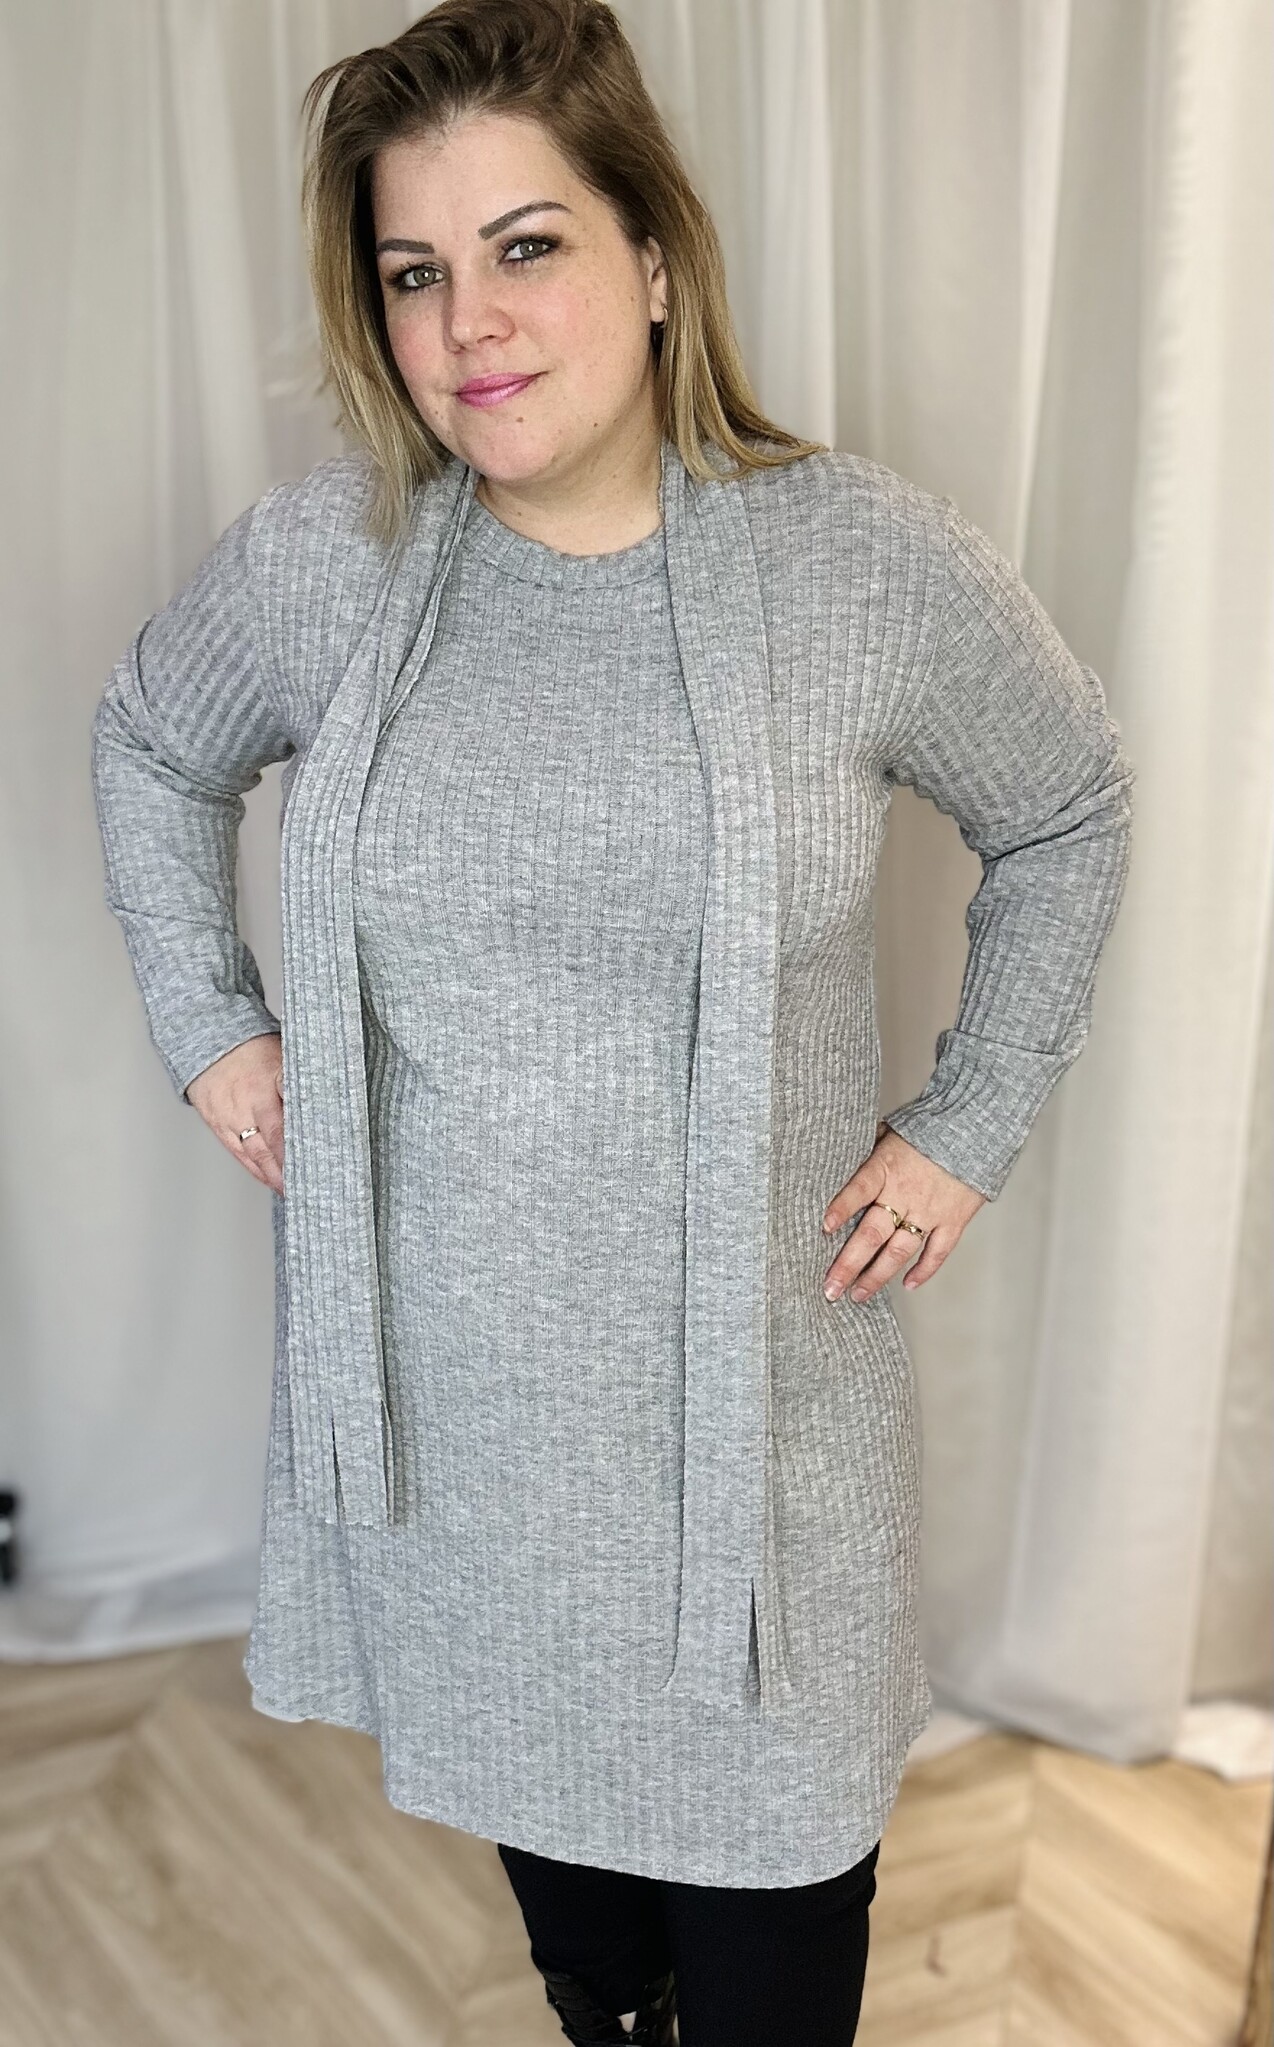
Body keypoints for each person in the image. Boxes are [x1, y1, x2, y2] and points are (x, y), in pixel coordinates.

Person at [89, 2, 1136, 2041]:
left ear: (655, 258)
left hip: (758, 1467)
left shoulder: (857, 565)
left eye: (527, 246)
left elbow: (1066, 807)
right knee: (594, 1964)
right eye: (414, 271)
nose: (468, 324)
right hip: (462, 1457)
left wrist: (968, 1118)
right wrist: (212, 1026)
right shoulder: (327, 566)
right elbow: (152, 739)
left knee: (766, 1962)